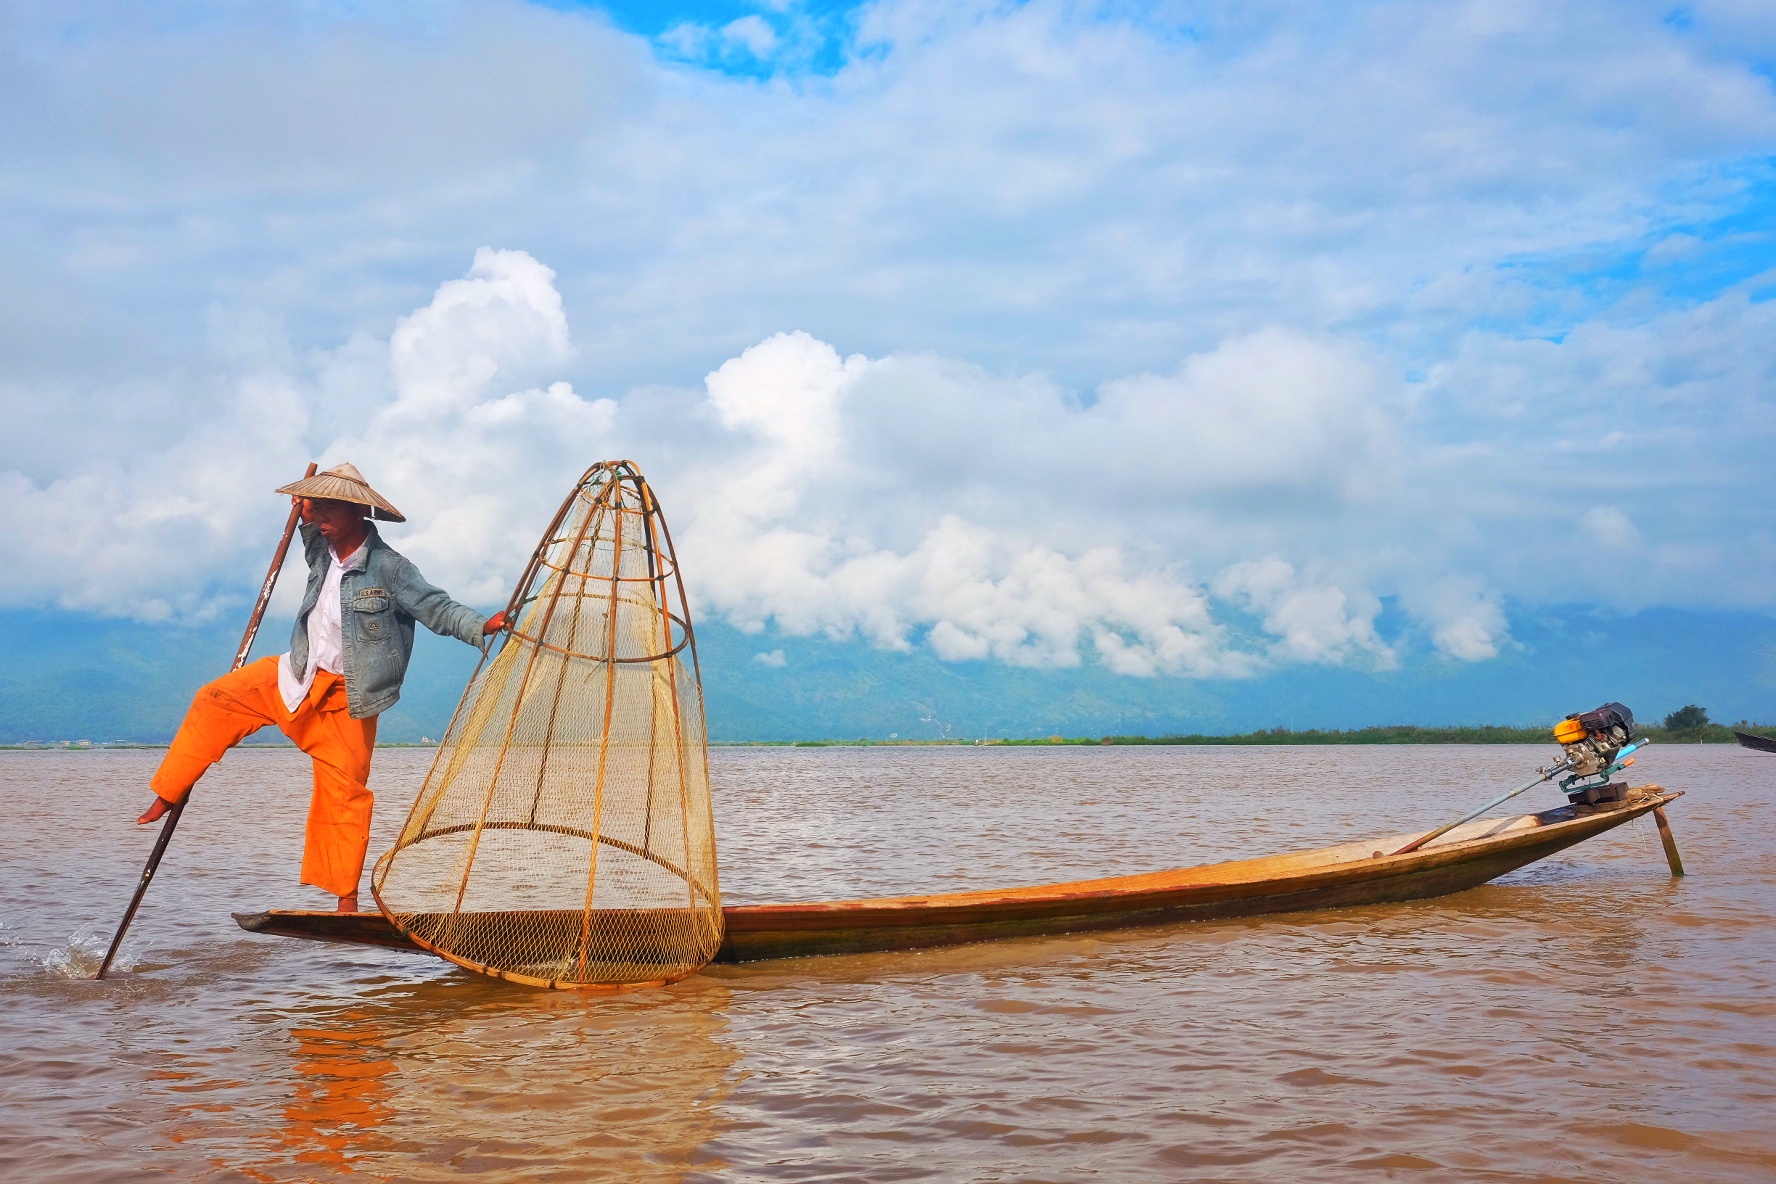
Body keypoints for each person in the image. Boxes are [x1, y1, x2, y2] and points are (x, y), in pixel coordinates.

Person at [135, 463, 507, 912]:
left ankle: (345, 899)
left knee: (345, 791)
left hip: (350, 696)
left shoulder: (390, 568)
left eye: (330, 506)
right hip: (296, 672)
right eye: (317, 507)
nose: (320, 514)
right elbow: (307, 528)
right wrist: (303, 506)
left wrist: (480, 625)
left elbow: (437, 608)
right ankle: (168, 793)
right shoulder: (320, 548)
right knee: (215, 699)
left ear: (357, 512)